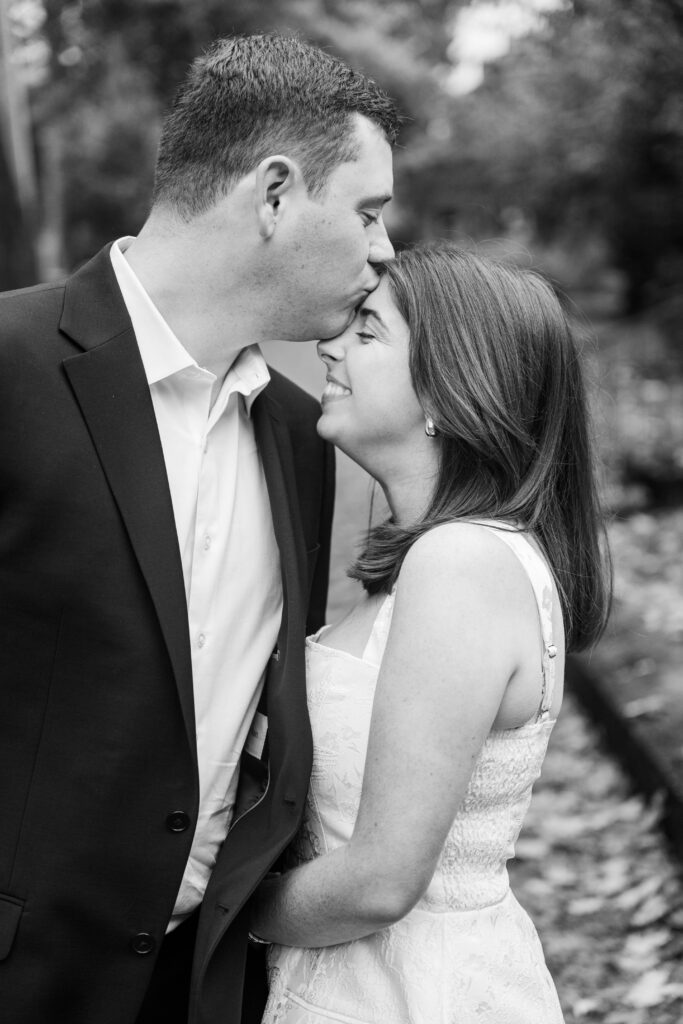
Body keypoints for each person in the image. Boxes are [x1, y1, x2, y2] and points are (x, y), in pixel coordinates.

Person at [0, 34, 399, 1024]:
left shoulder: (302, 438)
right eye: (367, 211)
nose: (383, 248)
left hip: (197, 988)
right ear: (272, 195)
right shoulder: (7, 365)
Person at [251, 244, 612, 1023]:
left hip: (410, 994)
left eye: (368, 332)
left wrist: (199, 917)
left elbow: (381, 880)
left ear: (445, 395)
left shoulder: (460, 565)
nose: (329, 346)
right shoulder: (442, 558)